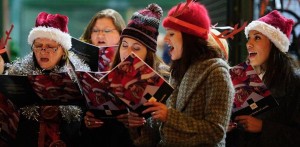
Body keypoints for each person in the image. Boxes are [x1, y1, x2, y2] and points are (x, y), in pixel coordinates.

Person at [127, 1, 235, 146]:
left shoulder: (217, 72)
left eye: (171, 33)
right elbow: (163, 130)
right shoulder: (177, 71)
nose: (166, 39)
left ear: (189, 37)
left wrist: (168, 116)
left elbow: (215, 131)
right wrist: (140, 122)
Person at [82, 3, 168, 147]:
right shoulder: (108, 73)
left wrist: (139, 123)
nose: (127, 53)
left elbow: (161, 131)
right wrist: (89, 119)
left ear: (148, 53)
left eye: (136, 48)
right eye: (124, 45)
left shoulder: (161, 79)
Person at [6, 12, 90, 147]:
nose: (43, 51)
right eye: (38, 46)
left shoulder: (81, 78)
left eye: (50, 47)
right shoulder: (17, 75)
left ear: (63, 50)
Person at [226, 10, 300, 147]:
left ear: (275, 44)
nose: (249, 44)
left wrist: (263, 127)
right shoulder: (240, 78)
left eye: (257, 37)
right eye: (249, 37)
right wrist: (228, 127)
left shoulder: (294, 83)